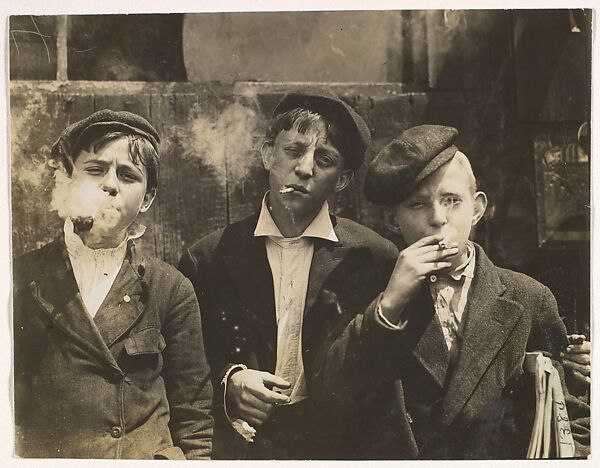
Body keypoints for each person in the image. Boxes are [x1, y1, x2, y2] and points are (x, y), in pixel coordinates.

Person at [314, 124, 590, 459]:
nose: (438, 218)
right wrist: (389, 305)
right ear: (392, 220)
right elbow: (332, 399)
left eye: (452, 201)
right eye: (417, 205)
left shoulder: (527, 296)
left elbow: (572, 416)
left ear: (477, 208)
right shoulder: (367, 294)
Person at [178, 89, 398, 459]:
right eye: (293, 151)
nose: (305, 168)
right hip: (243, 450)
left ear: (342, 180)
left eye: (324, 159)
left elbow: (383, 371)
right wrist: (229, 382)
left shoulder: (373, 259)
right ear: (268, 155)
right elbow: (185, 363)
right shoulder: (210, 257)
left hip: (340, 451)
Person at [13, 110, 213, 459]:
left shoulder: (170, 288)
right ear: (68, 178)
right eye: (95, 169)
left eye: (127, 175)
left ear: (147, 198)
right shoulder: (19, 279)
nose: (110, 184)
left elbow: (194, 419)